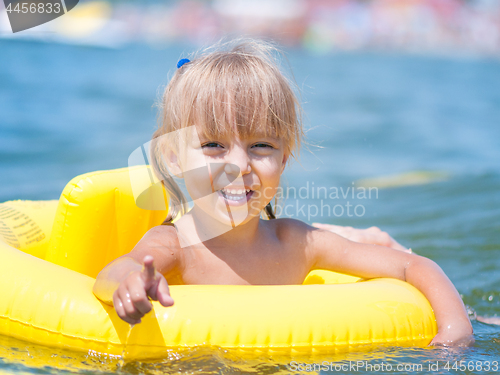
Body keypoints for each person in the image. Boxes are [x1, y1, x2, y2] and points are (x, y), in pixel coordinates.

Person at [93, 39, 473, 347]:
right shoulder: (176, 245)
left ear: (285, 158)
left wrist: (457, 332)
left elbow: (413, 265)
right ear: (174, 159)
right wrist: (130, 283)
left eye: (261, 146)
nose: (240, 165)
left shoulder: (297, 242)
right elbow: (115, 270)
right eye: (213, 145)